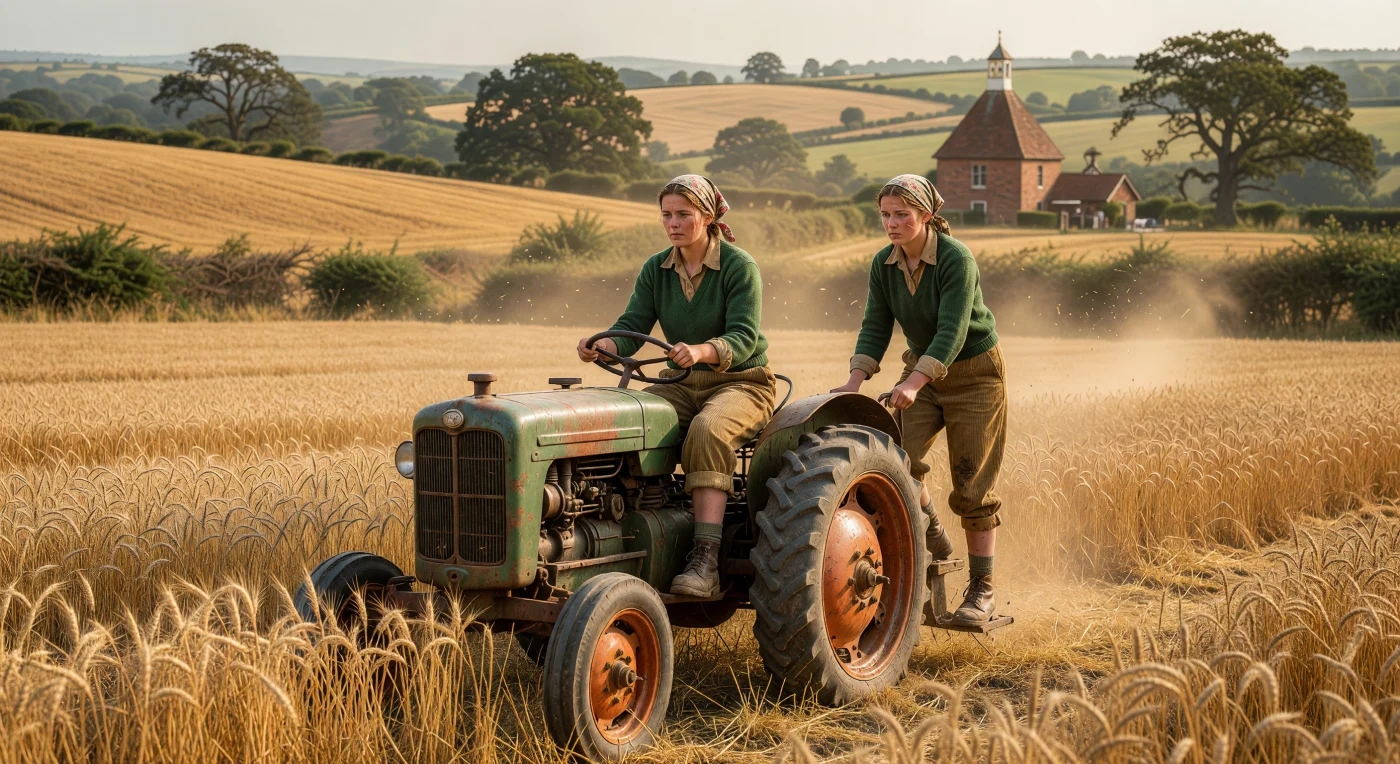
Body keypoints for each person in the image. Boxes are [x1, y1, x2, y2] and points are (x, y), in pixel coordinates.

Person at [578, 174, 774, 598]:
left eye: (684, 214)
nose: (673, 223)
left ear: (707, 216)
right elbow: (632, 326)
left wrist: (702, 350)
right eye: (666, 214)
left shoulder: (739, 266)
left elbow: (743, 336)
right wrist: (603, 343)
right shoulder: (657, 268)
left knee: (708, 429)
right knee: (632, 421)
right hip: (681, 383)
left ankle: (705, 559)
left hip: (741, 383)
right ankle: (628, 534)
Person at [830, 174, 1008, 626]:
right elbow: (875, 325)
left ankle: (982, 591)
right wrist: (854, 382)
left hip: (974, 375)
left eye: (901, 215)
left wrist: (913, 382)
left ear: (927, 216)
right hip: (923, 372)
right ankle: (935, 535)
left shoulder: (956, 258)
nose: (891, 223)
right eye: (885, 215)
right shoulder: (883, 264)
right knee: (899, 463)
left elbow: (953, 330)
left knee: (971, 486)